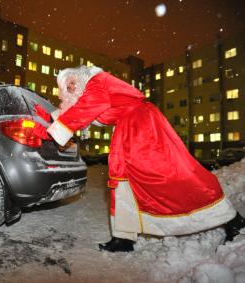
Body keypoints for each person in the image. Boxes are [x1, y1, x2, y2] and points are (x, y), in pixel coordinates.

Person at [36, 66, 245, 253]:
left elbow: (88, 108)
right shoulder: (94, 91)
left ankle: (231, 219)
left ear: (79, 76)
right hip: (129, 130)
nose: (71, 88)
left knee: (171, 174)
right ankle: (123, 238)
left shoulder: (97, 81)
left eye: (71, 82)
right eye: (67, 87)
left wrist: (56, 128)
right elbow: (90, 113)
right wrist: (51, 119)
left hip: (143, 129)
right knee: (123, 182)